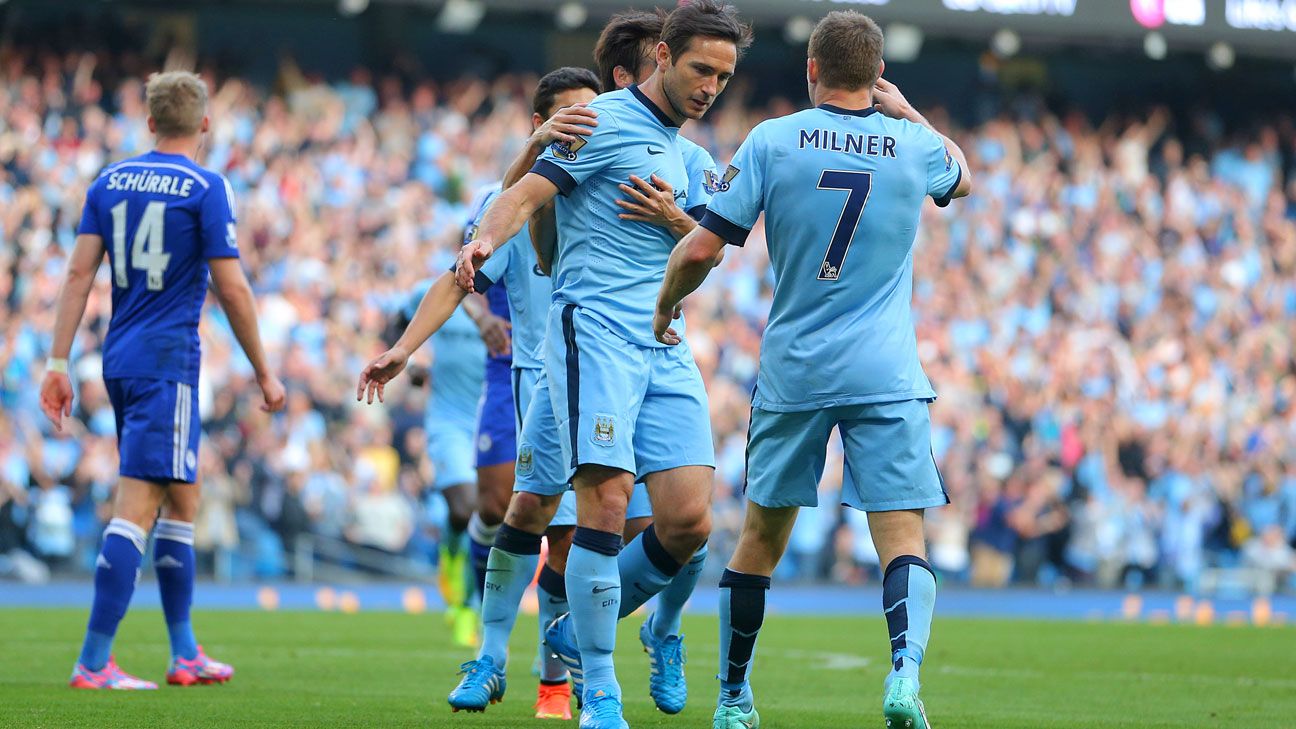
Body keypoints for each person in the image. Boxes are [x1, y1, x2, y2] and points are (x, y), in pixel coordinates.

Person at [652, 11, 971, 729]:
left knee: (760, 538)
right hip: (886, 371)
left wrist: (665, 304)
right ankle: (905, 675)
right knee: (902, 536)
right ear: (877, 74)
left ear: (812, 69)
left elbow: (702, 248)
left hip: (796, 368)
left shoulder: (773, 140)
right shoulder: (914, 144)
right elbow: (963, 178)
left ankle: (732, 697)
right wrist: (908, 112)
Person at [456, 3, 751, 725]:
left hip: (666, 339)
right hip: (594, 334)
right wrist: (482, 242)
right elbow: (523, 195)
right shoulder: (601, 122)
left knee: (689, 522)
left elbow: (708, 256)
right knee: (605, 504)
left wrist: (677, 222)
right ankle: (600, 690)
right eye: (701, 70)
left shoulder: (695, 160)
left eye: (722, 77)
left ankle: (587, 627)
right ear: (663, 56)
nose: (711, 87)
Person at [359, 67, 603, 719]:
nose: (584, 126)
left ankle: (561, 676)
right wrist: (404, 349)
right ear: (541, 125)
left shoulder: (614, 188)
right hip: (532, 381)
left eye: (593, 113)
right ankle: (494, 659)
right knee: (514, 513)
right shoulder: (508, 202)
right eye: (569, 116)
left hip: (608, 383)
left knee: (585, 538)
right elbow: (458, 276)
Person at [40, 70, 286, 689]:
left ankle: (184, 653)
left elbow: (77, 275)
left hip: (120, 357)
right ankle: (93, 660)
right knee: (139, 504)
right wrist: (263, 370)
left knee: (183, 496)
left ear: (150, 122)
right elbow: (232, 287)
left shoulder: (109, 181)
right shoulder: (206, 187)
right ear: (205, 123)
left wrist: (57, 362)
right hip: (167, 363)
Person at [390, 278, 489, 647]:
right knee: (464, 508)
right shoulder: (439, 289)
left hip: (494, 417)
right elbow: (398, 324)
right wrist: (410, 360)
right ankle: (458, 584)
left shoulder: (510, 291)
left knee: (490, 516)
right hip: (448, 421)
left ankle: (472, 605)